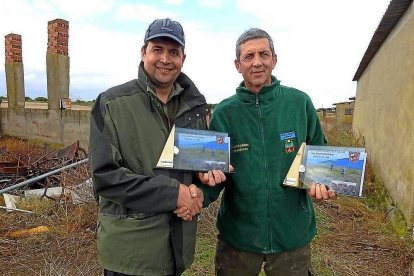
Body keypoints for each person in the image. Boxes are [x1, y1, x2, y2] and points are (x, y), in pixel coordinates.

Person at [89, 18, 225, 276]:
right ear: (143, 53)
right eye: (157, 49)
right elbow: (105, 177)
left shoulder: (195, 108)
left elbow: (196, 167)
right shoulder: (111, 103)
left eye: (173, 52)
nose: (165, 59)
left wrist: (203, 183)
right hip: (130, 256)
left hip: (177, 251)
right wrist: (174, 194)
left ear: (183, 58)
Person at [200, 28, 337, 275]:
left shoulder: (299, 103)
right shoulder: (224, 112)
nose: (257, 63)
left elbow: (320, 157)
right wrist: (197, 193)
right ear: (237, 65)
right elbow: (214, 172)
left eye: (264, 54)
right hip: (238, 237)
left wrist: (323, 183)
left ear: (274, 59)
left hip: (292, 235)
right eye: (249, 56)